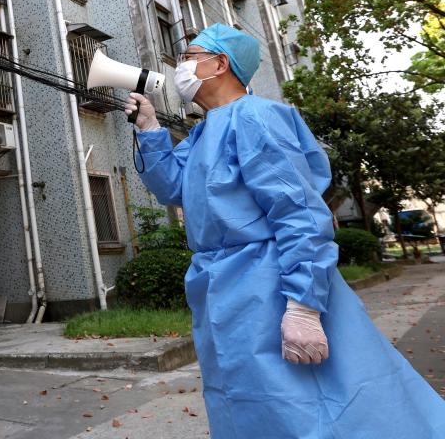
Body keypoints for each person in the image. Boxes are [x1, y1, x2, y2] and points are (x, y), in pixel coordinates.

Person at [124, 24, 445, 438]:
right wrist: (149, 128)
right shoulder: (204, 131)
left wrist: (304, 306)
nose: (181, 66)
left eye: (190, 56)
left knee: (304, 402)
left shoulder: (256, 118)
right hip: (222, 290)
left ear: (220, 63)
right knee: (246, 401)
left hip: (269, 283)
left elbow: (298, 213)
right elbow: (173, 187)